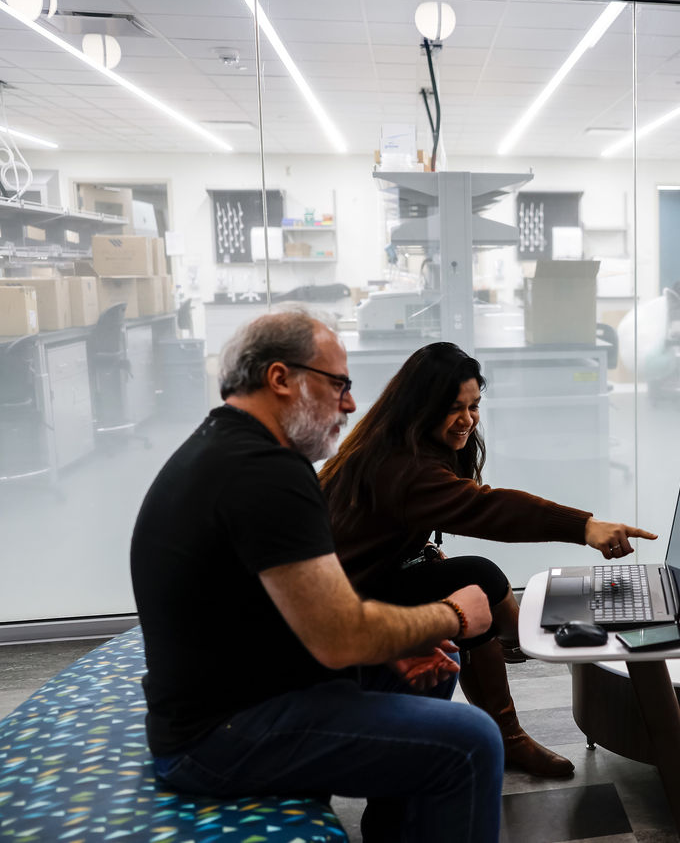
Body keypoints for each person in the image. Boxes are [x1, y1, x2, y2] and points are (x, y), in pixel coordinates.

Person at [130, 310, 504, 842]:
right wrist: (453, 612)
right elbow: (339, 637)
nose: (350, 404)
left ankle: (395, 830)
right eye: (338, 386)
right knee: (473, 743)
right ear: (281, 379)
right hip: (218, 737)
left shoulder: (232, 448)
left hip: (242, 692)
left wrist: (402, 641)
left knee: (435, 668)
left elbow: (277, 611)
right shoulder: (265, 473)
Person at [318, 341, 657, 778]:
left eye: (474, 405)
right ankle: (513, 702)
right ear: (419, 407)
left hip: (372, 578)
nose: (467, 418)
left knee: (475, 575)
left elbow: (391, 527)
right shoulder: (401, 466)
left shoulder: (405, 443)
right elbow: (488, 508)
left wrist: (418, 550)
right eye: (454, 408)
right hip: (350, 601)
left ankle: (515, 649)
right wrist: (584, 527)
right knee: (477, 578)